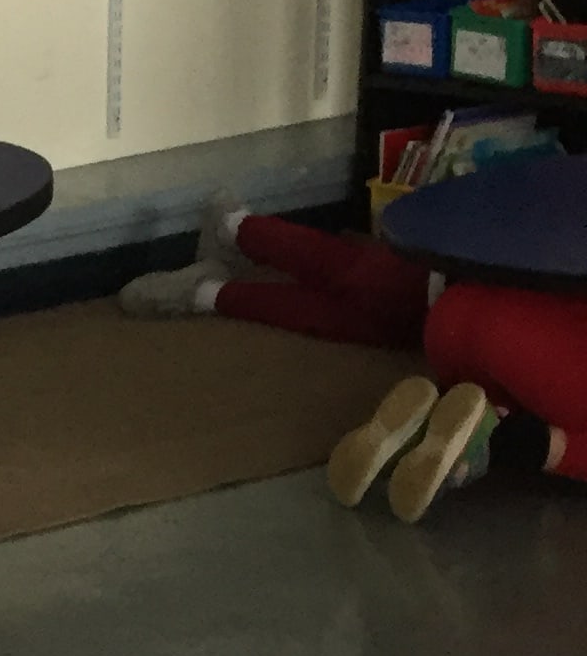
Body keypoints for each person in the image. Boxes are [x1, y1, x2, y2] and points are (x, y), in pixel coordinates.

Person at [119, 196, 587, 520]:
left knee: (369, 279)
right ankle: (210, 288)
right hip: (482, 361)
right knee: (375, 313)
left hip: (489, 313)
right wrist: (536, 445)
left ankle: (236, 232)